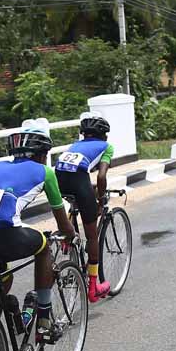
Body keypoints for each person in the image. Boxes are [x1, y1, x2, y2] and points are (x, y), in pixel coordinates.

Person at [0, 125, 77, 342]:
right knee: (43, 247)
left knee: (3, 281)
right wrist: (71, 234)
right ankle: (43, 322)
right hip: (6, 236)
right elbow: (62, 222)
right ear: (42, 155)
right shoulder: (45, 172)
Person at [54, 113, 114, 303]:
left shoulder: (75, 145)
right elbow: (101, 177)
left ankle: (68, 237)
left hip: (59, 180)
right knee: (92, 236)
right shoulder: (106, 146)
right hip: (78, 181)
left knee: (79, 195)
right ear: (104, 135)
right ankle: (93, 288)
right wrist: (101, 200)